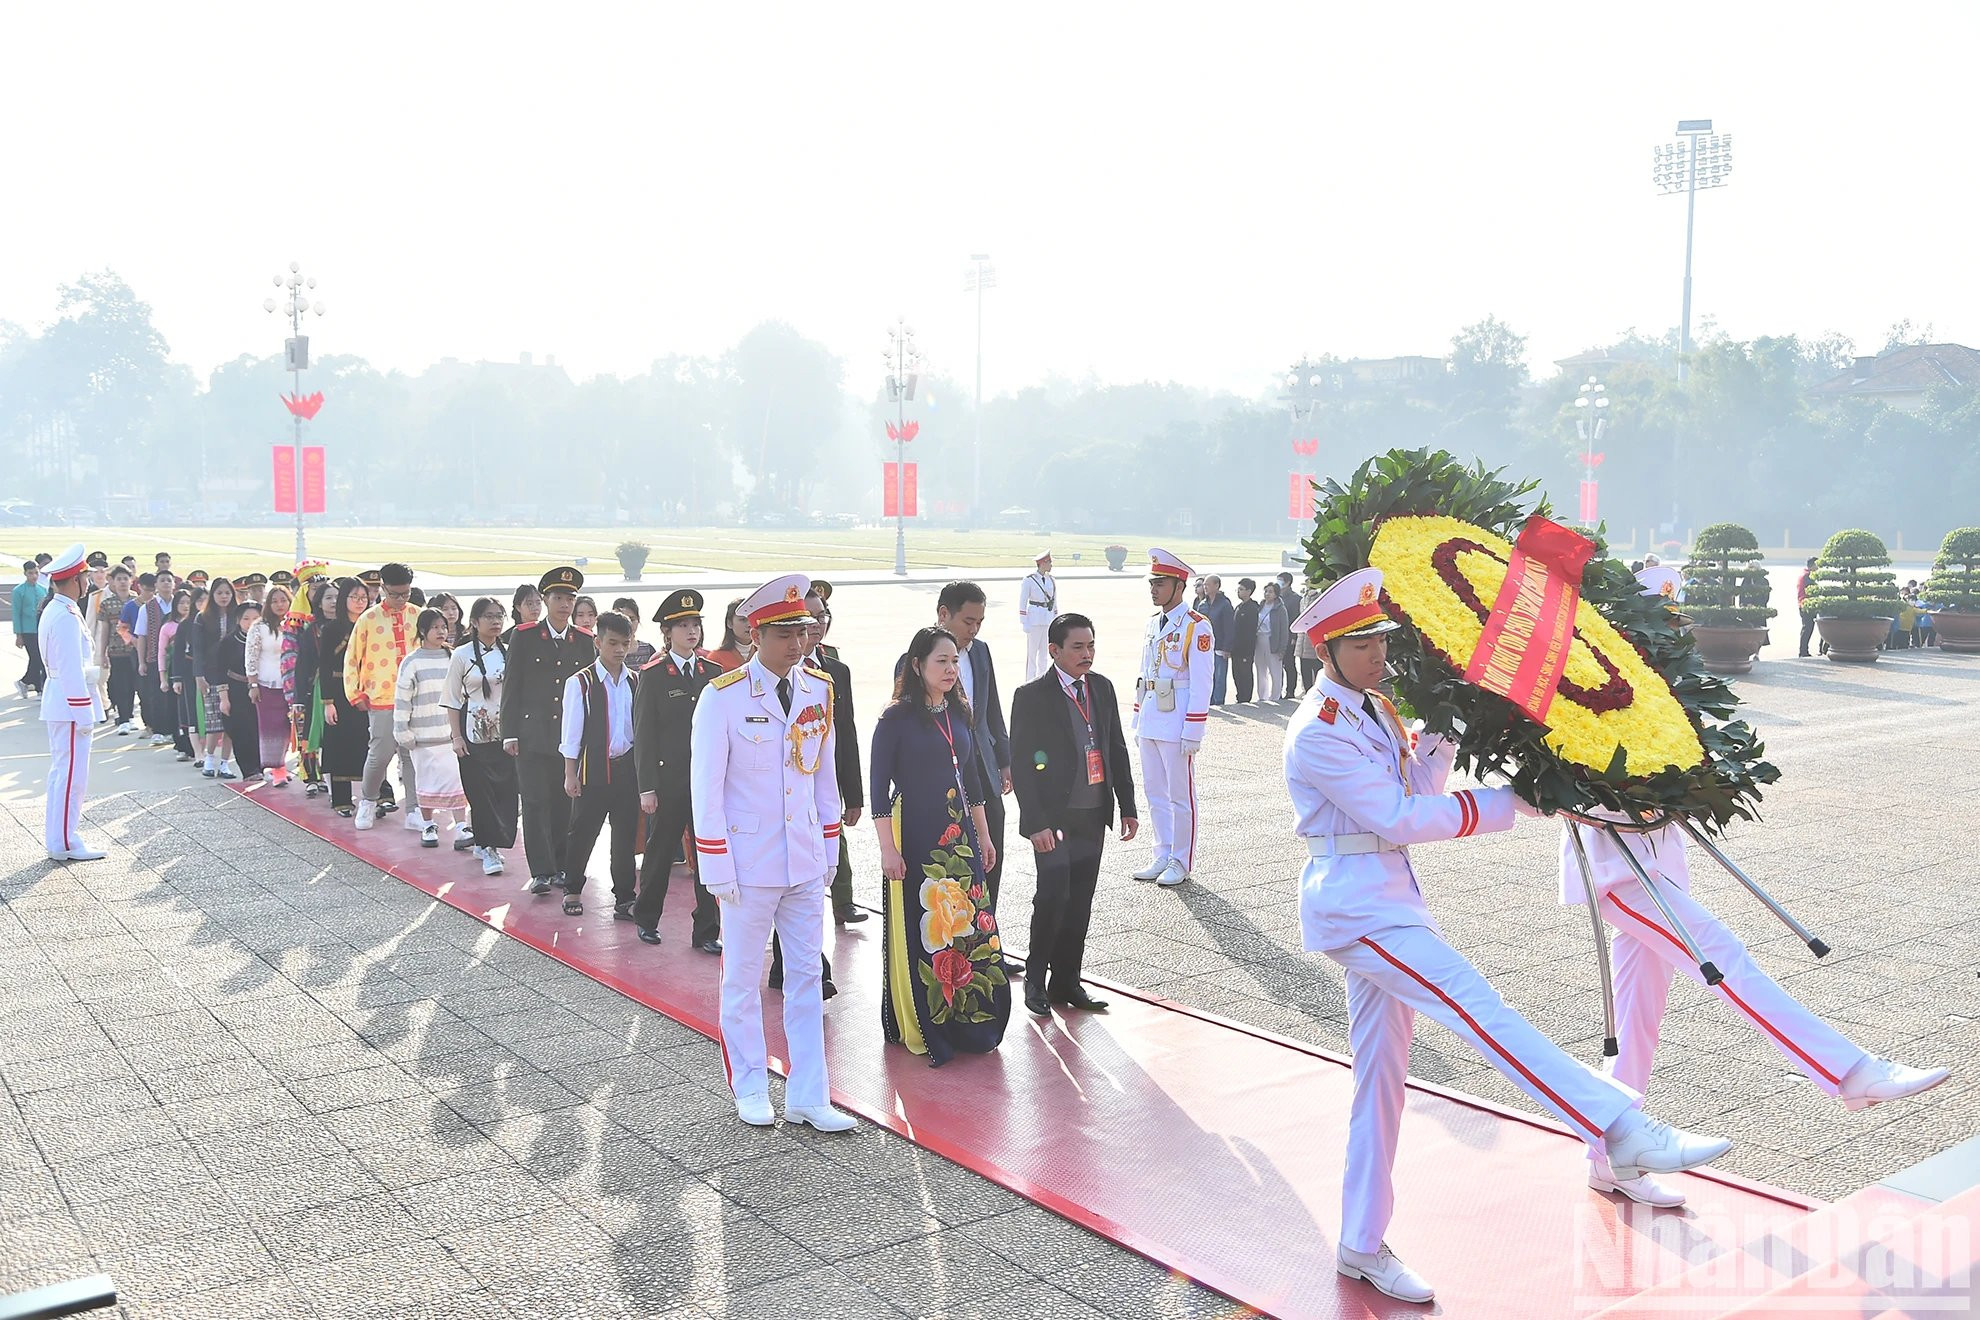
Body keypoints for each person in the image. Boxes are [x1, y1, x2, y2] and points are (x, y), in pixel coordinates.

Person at [1285, 568, 1731, 1305]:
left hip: (1384, 898)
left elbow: (1417, 795)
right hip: (1356, 906)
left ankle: (1361, 1242)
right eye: (1360, 643)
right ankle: (1619, 1124)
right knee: (1477, 1007)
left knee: (1380, 1086)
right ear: (1325, 651)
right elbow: (1397, 822)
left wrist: (1446, 727)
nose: (1377, 652)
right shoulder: (1319, 732)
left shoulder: (1369, 708)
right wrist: (1512, 802)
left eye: (1380, 638)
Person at [690, 573, 854, 1132]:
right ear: (754, 634)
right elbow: (706, 788)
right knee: (741, 979)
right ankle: (752, 1085)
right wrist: (715, 863)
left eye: (802, 630)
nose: (796, 643)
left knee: (806, 977)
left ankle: (809, 1093)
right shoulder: (723, 696)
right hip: (748, 862)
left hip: (804, 859)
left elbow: (823, 779)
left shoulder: (819, 690)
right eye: (783, 632)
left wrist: (829, 847)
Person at [871, 625, 1009, 1065]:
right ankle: (930, 1024)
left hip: (961, 837)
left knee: (970, 926)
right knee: (926, 928)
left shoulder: (959, 712)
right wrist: (888, 850)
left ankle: (972, 1021)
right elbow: (877, 792)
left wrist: (984, 835)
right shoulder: (894, 719)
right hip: (914, 832)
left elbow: (972, 782)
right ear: (917, 665)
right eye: (940, 661)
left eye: (954, 662)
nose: (950, 669)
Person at [1009, 612, 1137, 1017]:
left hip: (1092, 812)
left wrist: (1127, 806)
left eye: (1091, 645)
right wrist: (1035, 823)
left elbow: (1116, 747)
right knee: (1053, 895)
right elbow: (1023, 763)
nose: (1087, 654)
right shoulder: (1032, 696)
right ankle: (1035, 978)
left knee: (1080, 899)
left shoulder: (1101, 688)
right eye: (1078, 647)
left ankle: (1066, 981)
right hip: (1054, 818)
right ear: (1054, 650)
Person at [631, 589, 723, 949]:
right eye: (683, 626)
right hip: (670, 781)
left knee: (708, 855)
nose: (691, 632)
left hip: (707, 782)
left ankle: (706, 931)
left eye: (695, 625)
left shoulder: (712, 672)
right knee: (660, 852)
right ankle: (646, 917)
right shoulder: (653, 675)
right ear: (667, 633)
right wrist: (647, 787)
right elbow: (644, 734)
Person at [501, 566, 597, 895]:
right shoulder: (525, 636)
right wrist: (509, 732)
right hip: (531, 735)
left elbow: (590, 690)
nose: (565, 604)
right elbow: (512, 686)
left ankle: (561, 865)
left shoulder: (584, 641)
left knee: (564, 803)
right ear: (545, 600)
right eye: (558, 597)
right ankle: (540, 870)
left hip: (567, 739)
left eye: (570, 598)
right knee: (535, 801)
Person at [1132, 548, 1214, 887]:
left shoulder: (1196, 626)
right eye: (1152, 583)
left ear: (1179, 586)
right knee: (1154, 792)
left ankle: (1180, 860)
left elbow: (1202, 681)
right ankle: (1162, 852)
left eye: (1160, 583)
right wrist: (1137, 718)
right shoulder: (1154, 623)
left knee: (1180, 796)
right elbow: (1144, 672)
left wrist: (1194, 728)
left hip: (1178, 717)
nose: (1154, 589)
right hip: (1152, 714)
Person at [37, 545, 106, 861]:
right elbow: (69, 670)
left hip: (62, 701)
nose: (88, 582)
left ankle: (60, 837)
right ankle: (65, 841)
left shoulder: (60, 609)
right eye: (85, 577)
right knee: (71, 777)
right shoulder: (64, 615)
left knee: (63, 774)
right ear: (75, 580)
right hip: (69, 704)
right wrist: (84, 713)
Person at [349, 563, 424, 833]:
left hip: (416, 698)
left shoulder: (420, 616)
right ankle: (368, 802)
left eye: (405, 594)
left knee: (412, 755)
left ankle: (414, 809)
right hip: (381, 696)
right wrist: (354, 693)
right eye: (395, 594)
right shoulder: (368, 619)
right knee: (380, 755)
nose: (401, 599)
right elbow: (352, 658)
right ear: (382, 589)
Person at [446, 597, 518, 876]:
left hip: (506, 733)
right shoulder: (461, 655)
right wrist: (456, 737)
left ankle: (490, 840)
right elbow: (452, 699)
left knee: (505, 791)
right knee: (481, 792)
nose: (495, 621)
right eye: (488, 616)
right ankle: (488, 847)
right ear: (475, 622)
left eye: (499, 616)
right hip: (473, 731)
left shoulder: (510, 652)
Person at [808, 590, 865, 925]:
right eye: (810, 617)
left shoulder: (836, 670)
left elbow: (847, 733)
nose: (818, 624)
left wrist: (854, 795)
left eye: (822, 616)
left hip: (827, 779)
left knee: (835, 836)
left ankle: (843, 900)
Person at [396, 609, 470, 849]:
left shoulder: (453, 657)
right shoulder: (412, 662)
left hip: (451, 735)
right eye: (435, 627)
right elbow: (402, 699)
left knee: (457, 780)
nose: (441, 632)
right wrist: (402, 732)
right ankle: (428, 825)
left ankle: (461, 826)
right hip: (423, 737)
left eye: (444, 627)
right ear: (422, 631)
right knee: (425, 781)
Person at [317, 578, 370, 816]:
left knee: (370, 742)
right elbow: (325, 665)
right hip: (339, 689)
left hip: (367, 689)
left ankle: (378, 793)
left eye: (363, 598)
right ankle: (341, 798)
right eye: (354, 597)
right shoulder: (331, 629)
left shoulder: (372, 624)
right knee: (339, 742)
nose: (359, 602)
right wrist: (328, 702)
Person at [244, 585, 293, 785]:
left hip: (291, 685)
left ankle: (284, 763)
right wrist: (253, 684)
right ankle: (277, 769)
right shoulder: (259, 626)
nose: (279, 605)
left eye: (283, 600)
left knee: (289, 727)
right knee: (270, 728)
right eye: (275, 601)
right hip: (266, 685)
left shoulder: (296, 623)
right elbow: (251, 655)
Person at [193, 576, 237, 777]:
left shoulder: (238, 615)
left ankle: (225, 762)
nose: (224, 596)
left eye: (227, 592)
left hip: (233, 675)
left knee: (230, 722)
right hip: (210, 675)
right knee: (213, 722)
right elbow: (198, 650)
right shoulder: (202, 618)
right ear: (212, 595)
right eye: (219, 593)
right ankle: (209, 759)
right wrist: (198, 676)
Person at [219, 601, 264, 782]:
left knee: (260, 729)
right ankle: (249, 770)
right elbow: (219, 670)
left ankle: (263, 766)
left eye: (255, 618)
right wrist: (224, 697)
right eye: (246, 619)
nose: (251, 622)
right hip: (236, 689)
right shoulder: (229, 641)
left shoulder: (267, 637)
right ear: (238, 620)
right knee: (241, 730)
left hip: (262, 688)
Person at [97, 565, 136, 732]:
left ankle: (129, 715)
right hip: (116, 650)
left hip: (135, 650)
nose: (122, 582)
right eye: (119, 579)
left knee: (133, 684)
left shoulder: (138, 601)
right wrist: (102, 653)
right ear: (112, 581)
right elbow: (104, 630)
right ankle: (123, 716)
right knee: (119, 684)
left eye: (125, 579)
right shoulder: (106, 604)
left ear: (131, 580)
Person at [160, 588, 197, 761]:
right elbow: (163, 653)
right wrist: (164, 677)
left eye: (188, 602)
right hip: (176, 670)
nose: (185, 606)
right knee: (181, 711)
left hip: (195, 671)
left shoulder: (198, 622)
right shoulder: (169, 626)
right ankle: (182, 746)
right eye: (181, 602)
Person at [1018, 550, 1057, 681]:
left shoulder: (1051, 580)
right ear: (1043, 563)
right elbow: (1022, 602)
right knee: (1032, 653)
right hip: (1034, 619)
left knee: (1044, 654)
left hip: (1047, 619)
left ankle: (1042, 678)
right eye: (1049, 562)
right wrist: (1024, 621)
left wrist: (1056, 620)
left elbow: (1054, 602)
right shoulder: (1029, 580)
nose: (1051, 565)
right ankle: (1030, 680)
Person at [1199, 574, 1236, 706]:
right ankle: (1208, 700)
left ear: (1216, 586)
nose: (1205, 587)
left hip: (1220, 646)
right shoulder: (1202, 604)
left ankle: (1219, 701)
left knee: (1220, 676)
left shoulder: (1224, 604)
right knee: (1207, 676)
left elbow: (1229, 628)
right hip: (1204, 647)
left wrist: (1227, 648)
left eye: (1208, 585)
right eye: (1204, 585)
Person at [13, 560, 48, 698]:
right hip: (27, 630)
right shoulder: (18, 591)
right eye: (30, 573)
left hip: (40, 629)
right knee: (36, 658)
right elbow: (16, 613)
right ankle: (27, 682)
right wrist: (18, 635)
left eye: (36, 573)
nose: (33, 576)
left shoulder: (42, 589)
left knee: (39, 658)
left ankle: (33, 685)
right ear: (25, 574)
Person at [1256, 582, 1289, 702]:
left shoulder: (1280, 608)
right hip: (1259, 639)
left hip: (1272, 640)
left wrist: (1282, 649)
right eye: (1266, 591)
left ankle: (1275, 696)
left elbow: (1284, 630)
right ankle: (1262, 696)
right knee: (1260, 669)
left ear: (1276, 594)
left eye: (1270, 591)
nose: (1267, 594)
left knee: (1275, 671)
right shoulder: (1260, 606)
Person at [1230, 578, 1259, 703]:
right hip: (1235, 648)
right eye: (1238, 589)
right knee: (1236, 674)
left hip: (1246, 648)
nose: (1239, 592)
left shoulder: (1253, 608)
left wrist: (1248, 649)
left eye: (1241, 589)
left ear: (1249, 591)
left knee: (1245, 673)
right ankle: (1239, 696)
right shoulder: (1238, 607)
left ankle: (1246, 697)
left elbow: (1251, 631)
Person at [705, 597, 751, 672]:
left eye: (751, 619)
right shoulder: (716, 658)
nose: (749, 625)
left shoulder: (765, 654)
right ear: (729, 623)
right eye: (743, 620)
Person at [613, 597, 656, 668]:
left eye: (632, 619)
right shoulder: (604, 651)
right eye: (623, 619)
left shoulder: (648, 649)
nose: (628, 624)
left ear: (638, 620)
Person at [1277, 571, 1301, 695]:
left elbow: (1296, 618)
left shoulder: (1295, 598)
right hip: (1278, 636)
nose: (1278, 583)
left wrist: (1294, 637)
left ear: (1287, 582)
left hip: (1289, 636)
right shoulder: (1277, 597)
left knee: (1289, 664)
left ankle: (1290, 691)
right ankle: (1277, 691)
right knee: (1277, 666)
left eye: (1280, 580)